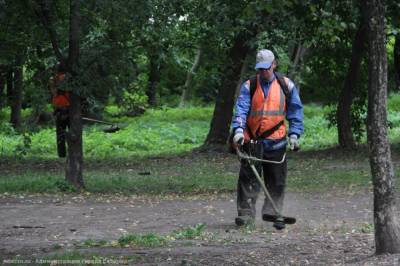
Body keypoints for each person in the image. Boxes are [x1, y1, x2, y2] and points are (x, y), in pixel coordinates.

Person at [231, 49, 304, 226]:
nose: (264, 72)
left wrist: (294, 135)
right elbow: (241, 108)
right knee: (248, 179)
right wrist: (238, 130)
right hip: (252, 141)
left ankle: (272, 211)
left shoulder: (286, 85)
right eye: (260, 69)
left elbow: (295, 111)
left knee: (277, 181)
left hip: (276, 142)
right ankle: (246, 214)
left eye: (266, 68)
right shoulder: (250, 85)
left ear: (274, 64)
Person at [49, 64, 70, 158]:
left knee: (60, 133)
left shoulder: (53, 79)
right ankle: (72, 151)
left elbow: (53, 92)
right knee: (73, 132)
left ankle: (62, 154)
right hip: (69, 109)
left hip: (59, 109)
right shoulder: (69, 78)